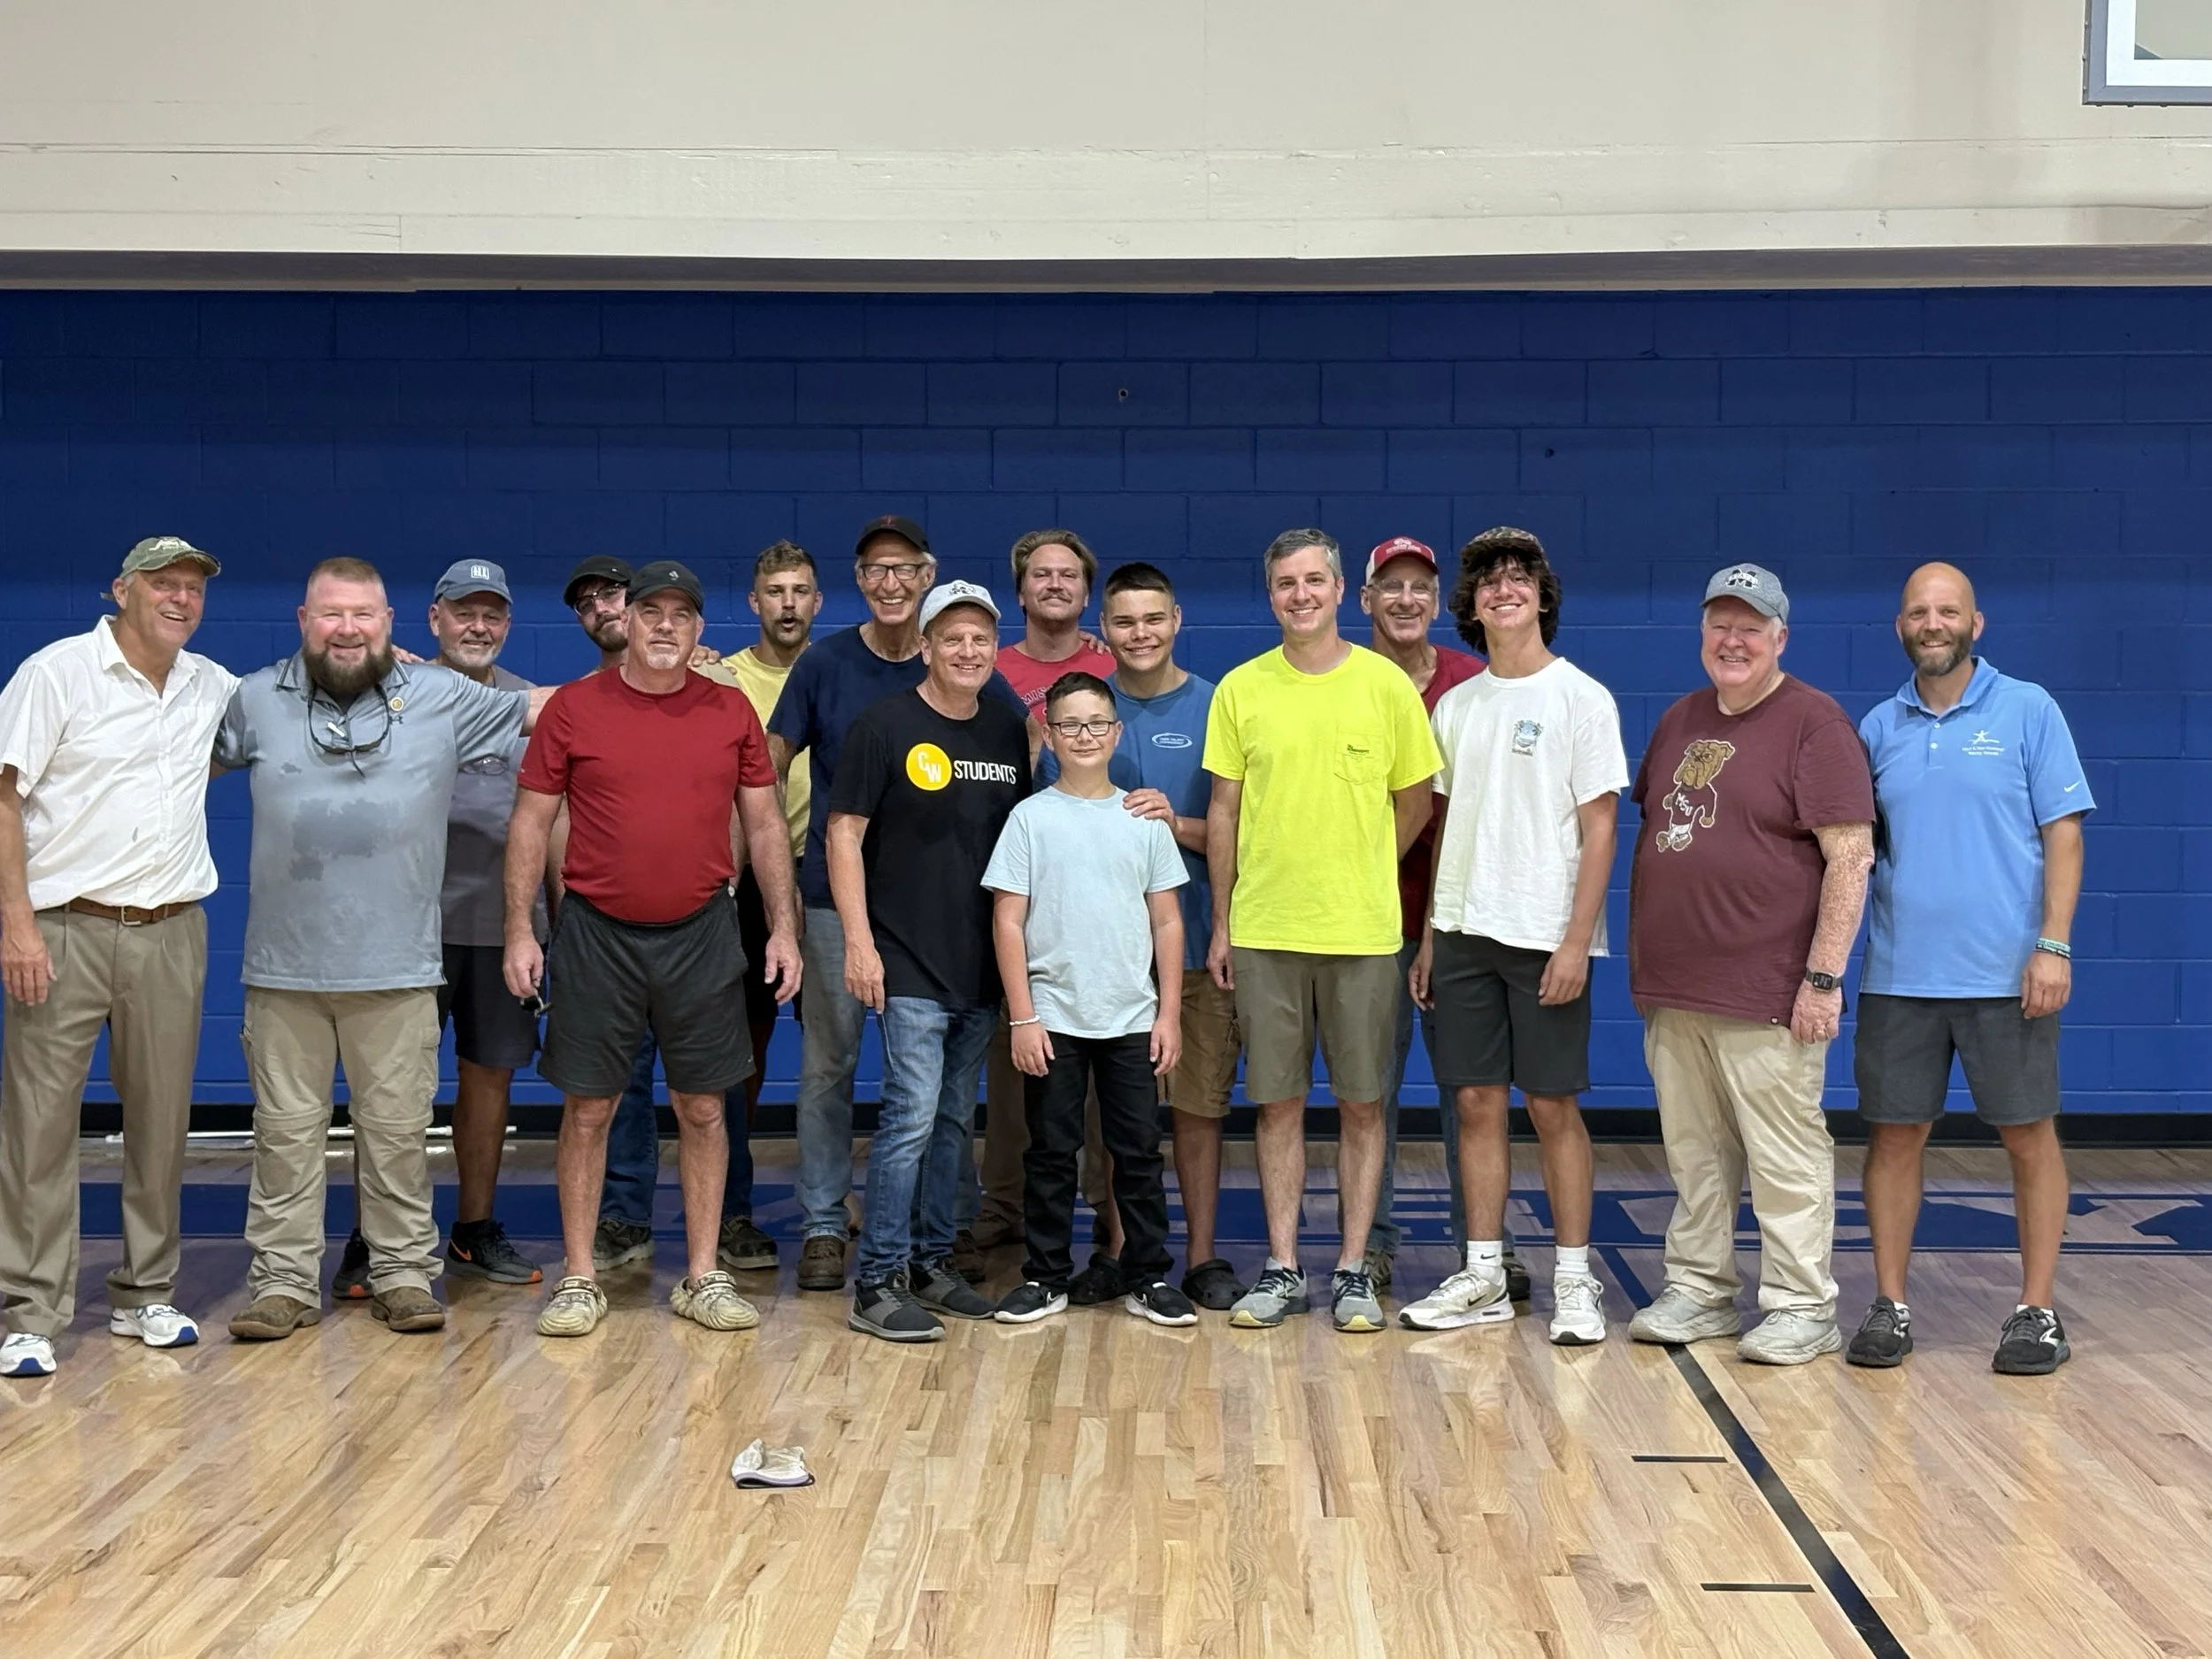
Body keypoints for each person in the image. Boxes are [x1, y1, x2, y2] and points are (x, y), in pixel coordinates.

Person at [219, 557, 549, 1342]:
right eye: (332, 614)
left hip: (399, 966)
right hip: (283, 971)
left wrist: (650, 660)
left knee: (398, 1131)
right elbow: (166, 761)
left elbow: (550, 708)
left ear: (390, 623)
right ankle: (283, 1283)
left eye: (362, 614)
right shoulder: (254, 697)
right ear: (304, 619)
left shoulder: (441, 697)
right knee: (285, 1134)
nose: (347, 628)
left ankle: (404, 1273)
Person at [506, 560, 799, 1340]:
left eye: (681, 614)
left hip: (702, 929)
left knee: (705, 1105)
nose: (666, 625)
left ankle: (702, 1274)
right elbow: (531, 825)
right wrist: (520, 930)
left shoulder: (730, 710)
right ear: (627, 622)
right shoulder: (572, 708)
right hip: (596, 932)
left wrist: (782, 927)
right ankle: (578, 1276)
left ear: (701, 630)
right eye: (651, 611)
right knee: (590, 1107)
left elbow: (766, 825)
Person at [1624, 563, 1875, 1366]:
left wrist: (1824, 977)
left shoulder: (1814, 724)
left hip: (1769, 990)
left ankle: (1803, 1305)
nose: (1733, 640)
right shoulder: (1679, 720)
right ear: (1702, 633)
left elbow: (1852, 858)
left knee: (1784, 1153)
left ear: (1780, 638)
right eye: (1720, 624)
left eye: (1751, 626)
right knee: (1694, 1154)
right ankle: (1700, 1290)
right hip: (1677, 987)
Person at [768, 518, 1021, 1294]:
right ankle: (832, 1232)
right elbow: (780, 785)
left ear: (925, 574)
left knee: (945, 1105)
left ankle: (934, 1245)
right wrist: (838, 925)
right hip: (849, 913)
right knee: (837, 1072)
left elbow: (1040, 764)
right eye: (876, 569)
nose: (890, 582)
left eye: (904, 568)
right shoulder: (834, 672)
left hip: (962, 937)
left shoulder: (1002, 709)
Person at [0, 536, 233, 1378]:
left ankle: (146, 1293)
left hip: (172, 928)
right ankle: (30, 1308)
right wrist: (16, 922)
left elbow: (291, 706)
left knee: (163, 1119)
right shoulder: (57, 672)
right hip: (64, 926)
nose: (180, 599)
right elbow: (4, 794)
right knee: (38, 1122)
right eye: (163, 584)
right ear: (121, 590)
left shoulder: (212, 685)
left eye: (192, 588)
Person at [1849, 563, 2090, 1376]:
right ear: (1901, 626)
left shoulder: (2029, 709)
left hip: (2007, 976)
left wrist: (2052, 944)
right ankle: (1889, 1304)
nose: (1934, 621)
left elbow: (2064, 833)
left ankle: (2038, 1310)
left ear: (1975, 623)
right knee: (1894, 1135)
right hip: (1898, 976)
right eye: (1918, 610)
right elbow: (1854, 854)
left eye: (1948, 609)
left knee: (2028, 1135)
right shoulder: (1878, 727)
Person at [1202, 529, 1442, 1334]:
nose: (1299, 594)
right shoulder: (1241, 688)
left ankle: (1350, 1271)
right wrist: (1223, 923)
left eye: (1313, 580)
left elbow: (1415, 802)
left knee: (1363, 1104)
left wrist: (1363, 862)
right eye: (1284, 583)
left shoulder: (1385, 687)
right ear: (1269, 594)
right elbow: (1227, 811)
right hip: (1265, 928)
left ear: (1343, 590)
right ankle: (1280, 1266)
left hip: (1366, 933)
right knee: (1277, 1104)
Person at [1401, 528, 1627, 1345]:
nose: (1504, 590)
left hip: (1544, 936)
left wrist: (1576, 941)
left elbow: (1601, 829)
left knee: (1554, 1105)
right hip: (1462, 932)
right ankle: (1486, 1272)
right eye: (1489, 581)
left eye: (1518, 578)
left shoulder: (1582, 698)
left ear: (1541, 595)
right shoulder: (1457, 707)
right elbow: (1449, 826)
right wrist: (1430, 936)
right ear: (1472, 605)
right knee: (1474, 1102)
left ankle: (1573, 1276)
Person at [595, 542, 820, 1279]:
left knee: (757, 1066)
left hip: (812, 882)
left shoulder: (833, 672)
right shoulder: (717, 676)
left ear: (817, 601)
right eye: (774, 591)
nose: (788, 602)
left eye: (800, 591)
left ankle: (755, 1213)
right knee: (655, 1064)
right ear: (753, 602)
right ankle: (629, 1213)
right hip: (718, 887)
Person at [828, 580, 1030, 1342]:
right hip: (905, 956)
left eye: (981, 638)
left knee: (952, 1120)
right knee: (910, 1116)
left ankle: (932, 1261)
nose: (968, 650)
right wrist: (858, 941)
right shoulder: (884, 725)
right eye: (952, 638)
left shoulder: (1009, 731)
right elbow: (844, 833)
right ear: (926, 646)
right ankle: (877, 1279)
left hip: (977, 960)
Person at [1059, 563, 1247, 1311]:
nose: (1139, 634)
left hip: (1194, 942)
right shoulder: (1082, 712)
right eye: (1124, 622)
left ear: (1176, 620)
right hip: (1104, 956)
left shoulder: (1216, 705)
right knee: (1112, 1118)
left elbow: (1240, 830)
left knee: (1198, 1107)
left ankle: (1199, 1255)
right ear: (1103, 630)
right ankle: (1116, 1249)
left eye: (1152, 619)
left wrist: (1178, 825)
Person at [987, 672, 1194, 1326]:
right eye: (1069, 724)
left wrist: (1168, 1012)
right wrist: (1023, 1014)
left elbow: (1167, 920)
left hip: (1132, 1017)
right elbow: (1007, 920)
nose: (1083, 735)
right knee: (1050, 1150)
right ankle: (1045, 1275)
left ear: (1116, 732)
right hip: (1052, 1018)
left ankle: (1147, 1273)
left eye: (1096, 723)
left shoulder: (1142, 818)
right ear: (1048, 732)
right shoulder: (1030, 817)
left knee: (1136, 1151)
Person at [976, 527, 1122, 1279]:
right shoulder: (991, 669)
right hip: (1019, 890)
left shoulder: (1111, 664)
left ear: (1086, 589)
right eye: (1041, 575)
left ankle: (1105, 1210)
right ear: (1020, 589)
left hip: (1102, 899)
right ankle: (1003, 1207)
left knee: (1102, 1073)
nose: (1056, 585)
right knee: (1018, 1066)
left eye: (1069, 574)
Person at [1355, 535, 1485, 1295]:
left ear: (1437, 602)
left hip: (1460, 923)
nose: (1406, 599)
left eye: (1420, 588)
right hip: (1368, 921)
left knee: (1469, 1092)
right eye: (1390, 586)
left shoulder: (1472, 684)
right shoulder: (1344, 679)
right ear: (1364, 598)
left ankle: (1481, 1253)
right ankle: (1370, 1247)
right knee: (1370, 1093)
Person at [422, 559, 549, 1288]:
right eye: (464, 612)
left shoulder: (531, 708)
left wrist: (550, 928)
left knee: (489, 1082)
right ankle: (380, 1236)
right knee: (395, 1091)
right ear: (434, 618)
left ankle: (473, 1227)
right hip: (409, 927)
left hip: (505, 928)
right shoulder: (394, 692)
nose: (478, 625)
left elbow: (553, 829)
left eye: (492, 614)